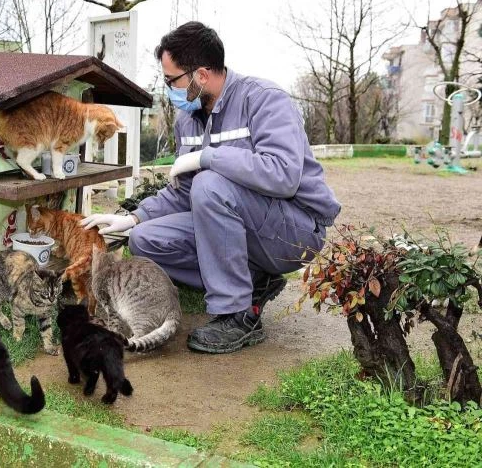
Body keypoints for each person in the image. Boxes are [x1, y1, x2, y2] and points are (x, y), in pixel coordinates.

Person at [80, 21, 341, 354]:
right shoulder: (187, 119)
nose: (167, 88)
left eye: (171, 79)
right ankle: (252, 281)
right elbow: (183, 191)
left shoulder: (264, 100)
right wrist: (133, 219)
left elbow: (283, 175)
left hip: (295, 230)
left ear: (201, 75)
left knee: (210, 182)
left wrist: (209, 157)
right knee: (145, 241)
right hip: (242, 225)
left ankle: (236, 314)